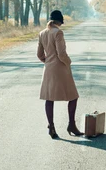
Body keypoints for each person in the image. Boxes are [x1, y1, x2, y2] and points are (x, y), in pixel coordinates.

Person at [37, 10, 83, 139]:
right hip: (60, 68)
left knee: (49, 98)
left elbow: (39, 55)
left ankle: (51, 127)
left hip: (48, 69)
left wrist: (48, 62)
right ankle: (72, 125)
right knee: (73, 96)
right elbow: (61, 54)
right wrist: (68, 62)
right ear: (59, 22)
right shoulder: (58, 33)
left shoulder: (42, 33)